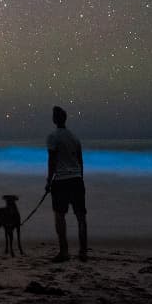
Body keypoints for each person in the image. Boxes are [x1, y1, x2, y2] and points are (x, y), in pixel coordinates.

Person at [45, 105, 87, 262]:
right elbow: (80, 161)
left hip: (61, 180)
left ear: (55, 119)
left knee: (60, 216)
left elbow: (52, 161)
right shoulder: (75, 137)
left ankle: (64, 252)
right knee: (81, 217)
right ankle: (83, 252)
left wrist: (49, 181)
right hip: (76, 179)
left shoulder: (53, 137)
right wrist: (80, 178)